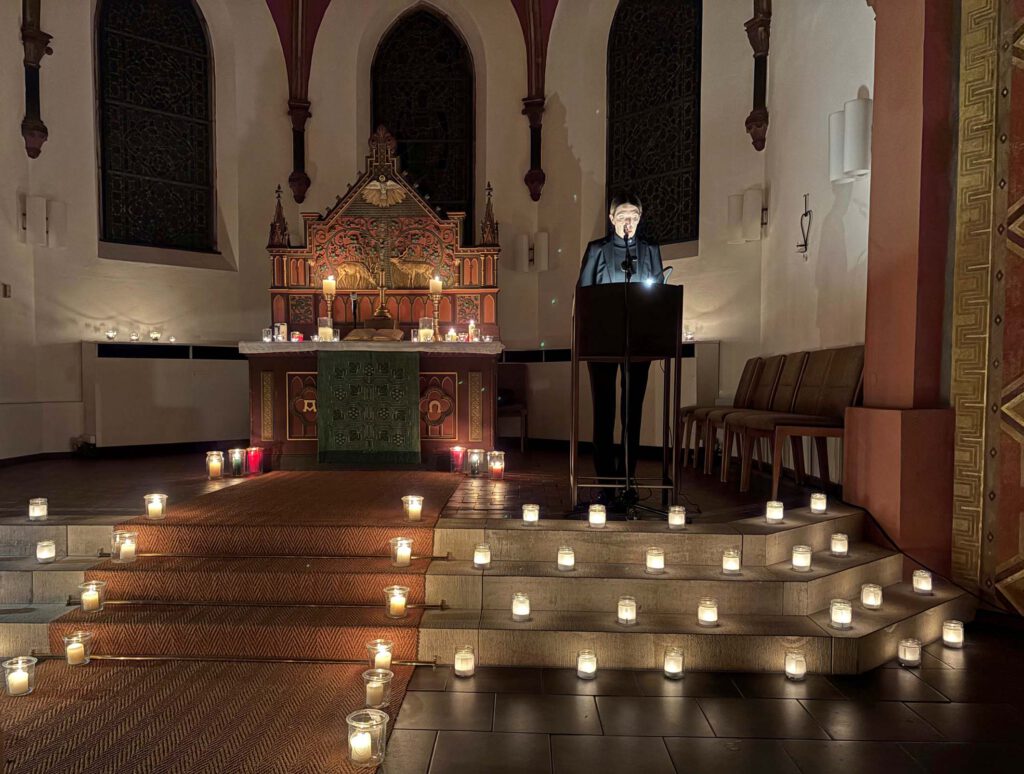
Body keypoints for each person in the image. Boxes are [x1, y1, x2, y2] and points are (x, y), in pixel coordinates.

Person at [577, 192, 665, 505]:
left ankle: (628, 478)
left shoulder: (650, 250)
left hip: (638, 341)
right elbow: (585, 295)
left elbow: (659, 295)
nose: (628, 221)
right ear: (612, 219)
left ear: (640, 219)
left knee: (632, 412)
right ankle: (606, 482)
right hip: (602, 341)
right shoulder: (597, 250)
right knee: (604, 412)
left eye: (634, 216)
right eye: (623, 216)